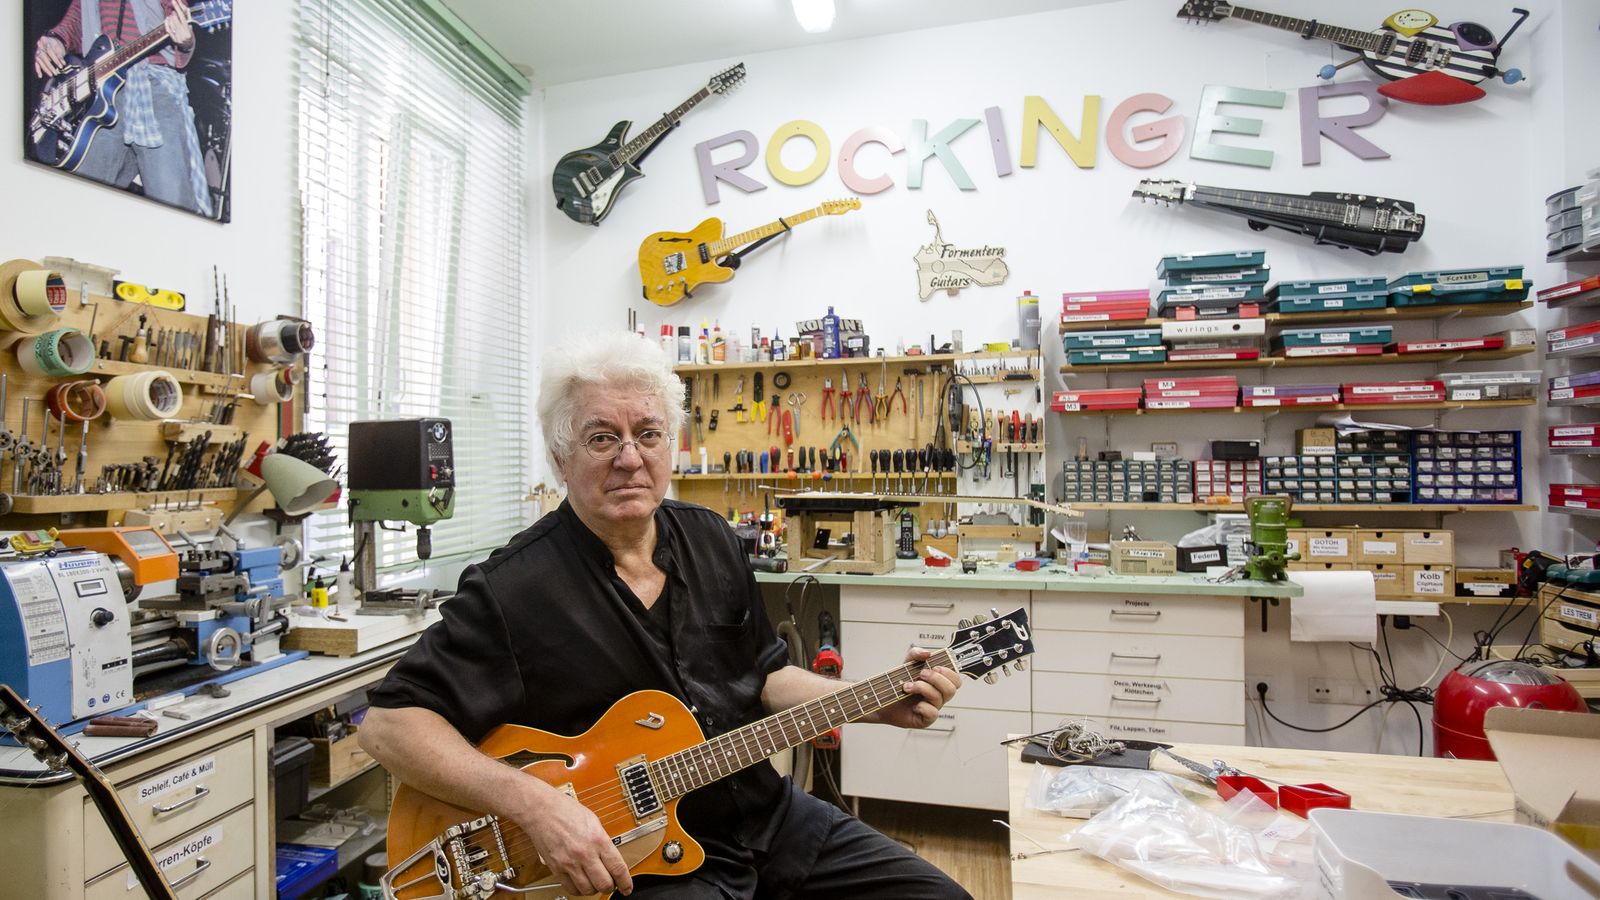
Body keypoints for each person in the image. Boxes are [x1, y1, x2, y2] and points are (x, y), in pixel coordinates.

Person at [360, 332, 971, 899]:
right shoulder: (514, 588)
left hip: (765, 818)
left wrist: (869, 700)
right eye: (602, 438)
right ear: (559, 458)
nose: (630, 457)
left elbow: (763, 676)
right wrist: (537, 807)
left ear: (670, 445)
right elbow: (388, 726)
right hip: (638, 863)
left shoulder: (714, 539)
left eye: (648, 434)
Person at [33, 0, 214, 217]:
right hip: (100, 93)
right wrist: (57, 40)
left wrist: (185, 40)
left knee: (173, 202)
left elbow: (176, 15)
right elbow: (77, 18)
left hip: (154, 88)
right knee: (78, 203)